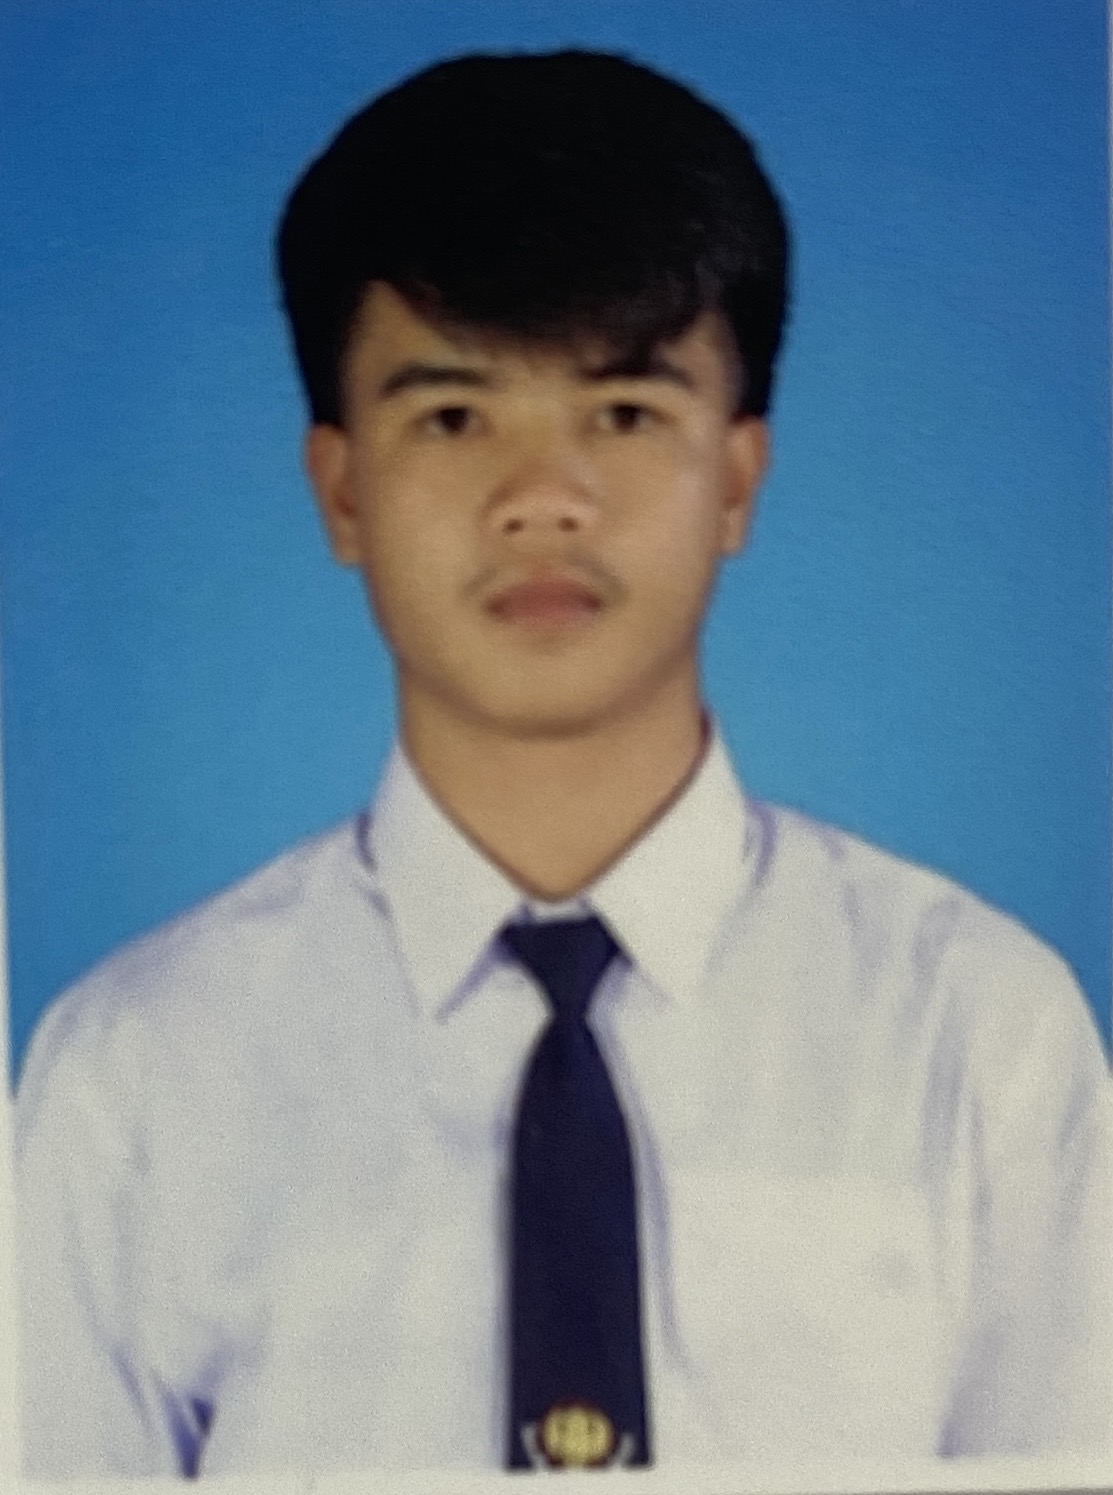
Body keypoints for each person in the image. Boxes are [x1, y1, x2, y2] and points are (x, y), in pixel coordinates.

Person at [14, 48, 1111, 1481]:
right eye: (453, 417)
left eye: (625, 413)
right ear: (341, 490)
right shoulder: (136, 1079)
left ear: (736, 478)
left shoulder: (978, 1037)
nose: (542, 499)